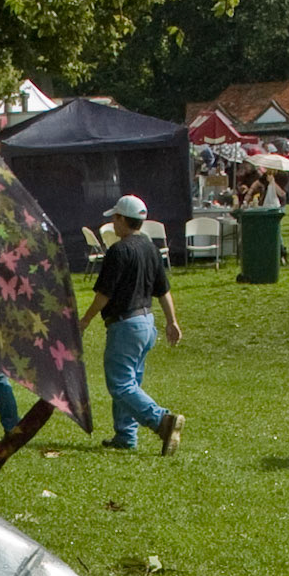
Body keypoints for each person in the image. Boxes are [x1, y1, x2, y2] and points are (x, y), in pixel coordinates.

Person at [77, 194, 184, 455]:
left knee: (120, 384)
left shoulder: (118, 251)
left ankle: (162, 421)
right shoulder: (150, 248)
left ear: (123, 220)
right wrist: (172, 321)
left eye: (115, 218)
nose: (113, 223)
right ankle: (125, 435)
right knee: (130, 382)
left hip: (125, 325)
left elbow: (105, 294)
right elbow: (163, 290)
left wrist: (86, 319)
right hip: (147, 323)